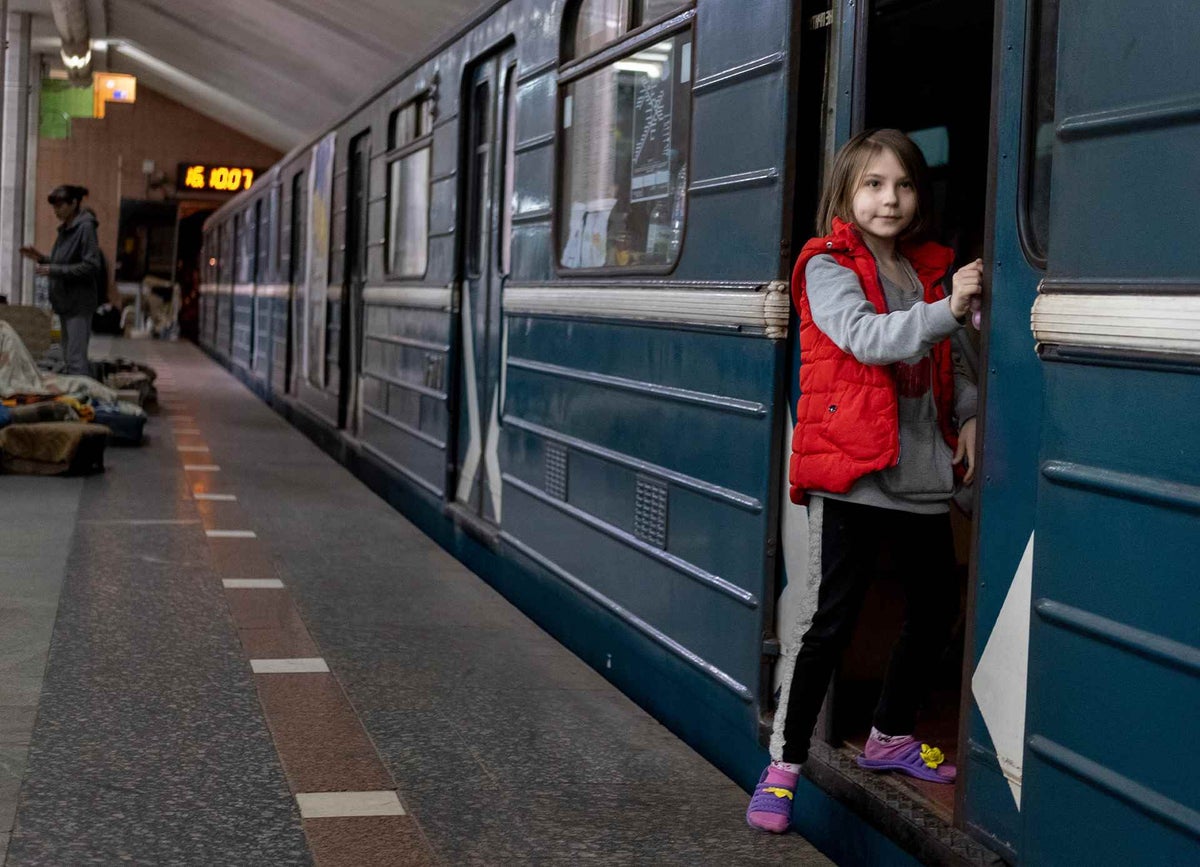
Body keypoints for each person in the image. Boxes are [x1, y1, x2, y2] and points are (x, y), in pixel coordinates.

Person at [746, 129, 982, 834]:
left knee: (936, 601)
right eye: (874, 184)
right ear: (847, 193)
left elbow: (957, 365)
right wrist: (948, 309)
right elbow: (871, 338)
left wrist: (968, 415)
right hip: (855, 471)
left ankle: (889, 733)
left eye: (903, 185)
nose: (890, 198)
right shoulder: (827, 266)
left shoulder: (925, 268)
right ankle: (782, 765)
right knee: (831, 622)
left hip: (920, 474)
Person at [20, 184, 103, 375]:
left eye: (60, 206)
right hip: (66, 302)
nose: (56, 211)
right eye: (54, 207)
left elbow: (91, 266)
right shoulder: (67, 229)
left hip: (79, 303)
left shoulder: (85, 228)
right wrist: (40, 257)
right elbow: (63, 261)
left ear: (74, 203)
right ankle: (78, 396)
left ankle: (83, 398)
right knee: (68, 357)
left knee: (75, 359)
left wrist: (53, 269)